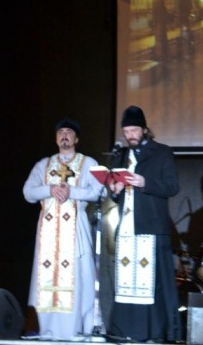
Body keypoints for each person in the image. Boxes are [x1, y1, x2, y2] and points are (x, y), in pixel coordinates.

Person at [23, 117, 106, 341]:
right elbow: (28, 192)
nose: (65, 135)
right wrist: (49, 189)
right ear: (56, 138)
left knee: (79, 278)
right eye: (61, 132)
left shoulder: (88, 163)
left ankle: (77, 329)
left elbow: (100, 191)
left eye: (69, 132)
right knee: (47, 279)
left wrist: (72, 192)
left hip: (75, 231)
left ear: (77, 139)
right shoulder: (43, 165)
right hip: (48, 235)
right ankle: (47, 330)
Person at [106, 105, 183, 343]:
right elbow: (115, 196)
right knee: (127, 281)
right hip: (127, 228)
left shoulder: (162, 152)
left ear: (144, 129)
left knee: (152, 283)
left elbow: (172, 187)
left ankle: (155, 331)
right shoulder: (120, 156)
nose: (130, 135)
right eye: (126, 131)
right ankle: (125, 330)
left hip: (151, 227)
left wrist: (144, 182)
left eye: (134, 130)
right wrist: (115, 190)